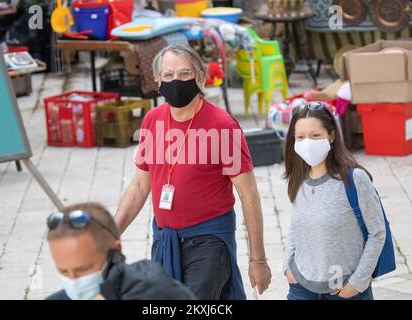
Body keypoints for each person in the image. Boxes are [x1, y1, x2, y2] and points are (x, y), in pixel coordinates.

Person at [114, 44, 271, 300]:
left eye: (184, 74)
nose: (176, 81)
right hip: (165, 239)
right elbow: (140, 186)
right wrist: (110, 234)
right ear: (157, 80)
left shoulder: (222, 126)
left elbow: (249, 194)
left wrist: (258, 260)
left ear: (200, 76)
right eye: (168, 75)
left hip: (208, 240)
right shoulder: (152, 120)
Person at [283, 102, 386, 300]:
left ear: (331, 136)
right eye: (300, 137)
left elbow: (377, 232)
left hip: (343, 289)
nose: (307, 143)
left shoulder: (354, 179)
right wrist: (288, 265)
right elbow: (295, 228)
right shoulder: (298, 178)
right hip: (301, 287)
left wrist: (357, 284)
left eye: (315, 135)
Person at [46, 202, 196, 300]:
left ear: (116, 250)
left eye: (84, 269)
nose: (74, 280)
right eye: (64, 271)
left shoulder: (157, 292)